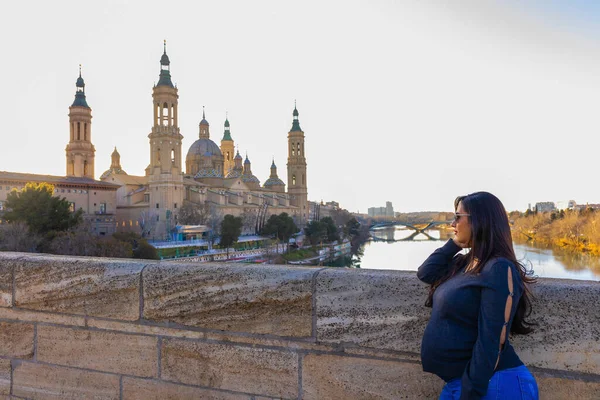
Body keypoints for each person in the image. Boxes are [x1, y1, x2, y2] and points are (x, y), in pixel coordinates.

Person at [417, 192, 538, 400]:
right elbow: (426, 273)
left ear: (480, 221)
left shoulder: (498, 268)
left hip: (494, 384)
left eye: (458, 217)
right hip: (460, 382)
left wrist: (470, 393)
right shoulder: (465, 263)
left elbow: (491, 340)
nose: (452, 223)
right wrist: (454, 244)